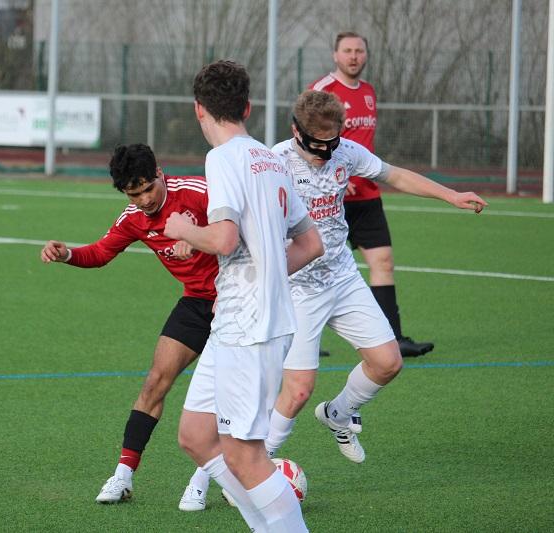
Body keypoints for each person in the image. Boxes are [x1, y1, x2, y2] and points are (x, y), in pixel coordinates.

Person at [261, 90, 487, 464]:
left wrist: (451, 195)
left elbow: (395, 175)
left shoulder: (346, 152)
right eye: (317, 144)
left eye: (332, 142)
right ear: (296, 131)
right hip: (298, 287)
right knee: (298, 390)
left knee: (388, 362)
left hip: (342, 277)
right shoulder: (274, 163)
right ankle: (257, 464)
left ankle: (338, 413)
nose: (326, 152)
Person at [164, 60, 322, 532]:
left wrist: (184, 228)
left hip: (249, 327)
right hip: (234, 322)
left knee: (245, 455)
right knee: (196, 435)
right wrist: (265, 274)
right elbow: (311, 243)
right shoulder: (270, 158)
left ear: (198, 109)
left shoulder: (223, 158)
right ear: (247, 107)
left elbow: (225, 238)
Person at [40, 143, 219, 510]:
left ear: (160, 173)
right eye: (133, 194)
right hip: (196, 302)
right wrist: (67, 254)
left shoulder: (198, 191)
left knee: (220, 395)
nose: (144, 200)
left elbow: (243, 223)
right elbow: (100, 253)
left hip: (238, 300)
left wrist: (198, 236)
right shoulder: (133, 217)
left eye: (148, 189)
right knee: (155, 382)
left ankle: (202, 479)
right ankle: (123, 476)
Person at [310, 31, 433, 358]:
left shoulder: (368, 92)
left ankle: (394, 339)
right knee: (312, 266)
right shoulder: (323, 90)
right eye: (347, 50)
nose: (353, 56)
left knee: (383, 262)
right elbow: (305, 138)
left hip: (366, 197)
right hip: (330, 199)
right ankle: (302, 337)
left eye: (359, 51)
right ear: (335, 55)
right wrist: (333, 174)